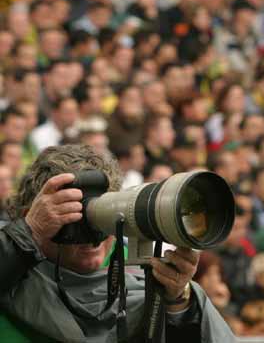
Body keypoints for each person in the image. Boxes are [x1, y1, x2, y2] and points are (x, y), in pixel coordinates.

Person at [0, 143, 234, 341]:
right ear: (32, 214)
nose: (92, 233)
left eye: (101, 215)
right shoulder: (10, 261)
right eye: (71, 216)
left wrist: (179, 304)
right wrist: (27, 234)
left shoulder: (146, 272)